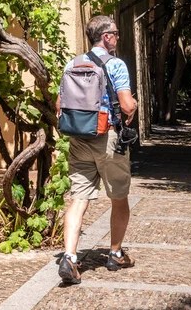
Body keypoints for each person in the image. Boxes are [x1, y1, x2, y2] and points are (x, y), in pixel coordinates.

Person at [56, 15, 138, 285]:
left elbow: (60, 104)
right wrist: (133, 107)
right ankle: (115, 254)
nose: (117, 37)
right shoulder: (115, 65)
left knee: (78, 198)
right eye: (115, 32)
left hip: (79, 139)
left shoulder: (73, 63)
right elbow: (126, 106)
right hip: (108, 138)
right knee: (118, 197)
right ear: (106, 36)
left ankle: (69, 257)